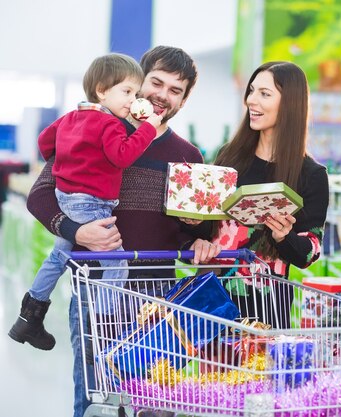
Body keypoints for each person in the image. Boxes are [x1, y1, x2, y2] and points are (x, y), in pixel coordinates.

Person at [25, 46, 218, 417]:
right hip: (96, 292)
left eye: (175, 90)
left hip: (159, 301)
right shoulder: (92, 130)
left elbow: (191, 229)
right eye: (156, 82)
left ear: (183, 100)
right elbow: (39, 195)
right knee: (96, 402)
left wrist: (197, 233)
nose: (162, 95)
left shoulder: (188, 155)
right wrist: (76, 232)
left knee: (156, 406)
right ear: (135, 81)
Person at [9, 53, 163, 352]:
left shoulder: (71, 117)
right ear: (102, 90)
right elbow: (123, 155)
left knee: (58, 258)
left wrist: (70, 160)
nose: (133, 100)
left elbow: (44, 142)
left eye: (135, 93)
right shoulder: (111, 124)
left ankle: (29, 317)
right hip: (92, 204)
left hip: (66, 198)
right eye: (127, 91)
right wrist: (148, 129)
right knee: (118, 263)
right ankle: (100, 329)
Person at [205, 61, 329, 329]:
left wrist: (284, 237)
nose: (251, 100)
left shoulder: (311, 174)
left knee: (259, 371)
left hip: (266, 308)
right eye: (251, 91)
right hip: (213, 299)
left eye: (265, 93)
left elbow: (310, 252)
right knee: (213, 372)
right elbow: (208, 221)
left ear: (290, 104)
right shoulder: (229, 156)